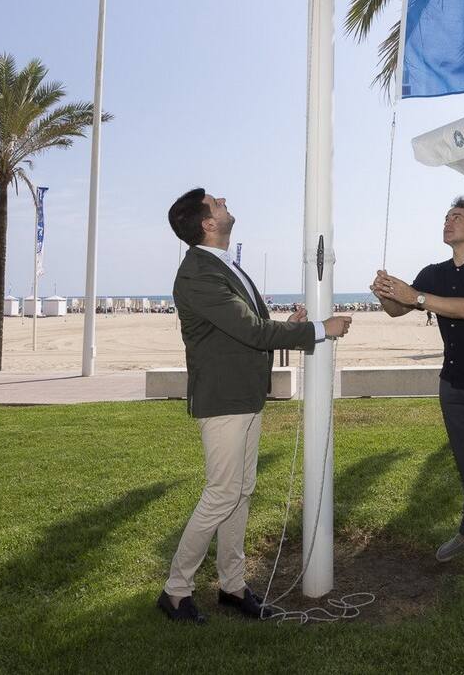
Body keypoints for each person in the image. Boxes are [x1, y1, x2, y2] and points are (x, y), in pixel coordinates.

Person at [157, 188, 352, 624]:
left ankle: (232, 584)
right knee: (222, 493)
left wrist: (289, 327)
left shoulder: (223, 266)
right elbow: (252, 333)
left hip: (244, 397)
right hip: (223, 400)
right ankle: (175, 590)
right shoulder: (197, 274)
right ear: (207, 223)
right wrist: (321, 329)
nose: (224, 201)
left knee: (240, 493)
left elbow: (250, 330)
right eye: (216, 202)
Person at [372, 197, 464, 574]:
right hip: (452, 383)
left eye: (457, 218)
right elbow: (397, 310)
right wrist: (386, 293)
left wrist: (415, 296)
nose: (448, 222)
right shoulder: (434, 272)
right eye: (446, 217)